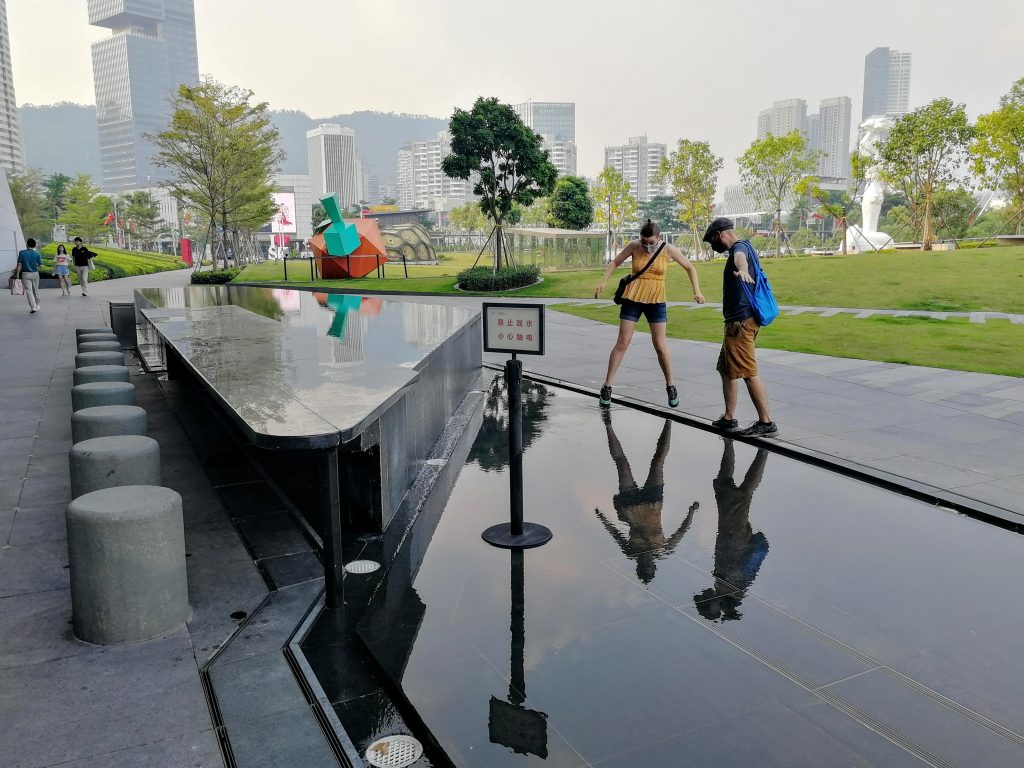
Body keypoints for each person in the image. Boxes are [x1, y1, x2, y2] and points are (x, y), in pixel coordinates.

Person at [594, 219, 705, 408]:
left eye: (651, 243)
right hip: (633, 298)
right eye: (644, 242)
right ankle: (607, 386)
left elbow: (689, 267)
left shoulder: (668, 249)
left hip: (656, 300)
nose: (646, 246)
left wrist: (697, 291)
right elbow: (615, 262)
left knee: (660, 345)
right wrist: (603, 281)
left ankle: (671, 386)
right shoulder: (634, 246)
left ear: (659, 238)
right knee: (623, 342)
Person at [593, 414, 699, 584]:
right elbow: (681, 532)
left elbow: (615, 533)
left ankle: (608, 425)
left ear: (638, 566)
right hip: (653, 502)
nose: (646, 562)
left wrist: (602, 518)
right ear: (654, 565)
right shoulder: (664, 549)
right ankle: (669, 421)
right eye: (649, 566)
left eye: (643, 566)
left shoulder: (630, 552)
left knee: (622, 463)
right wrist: (692, 511)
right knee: (658, 462)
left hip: (630, 504)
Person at [702, 217, 778, 437]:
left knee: (748, 373)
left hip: (741, 323)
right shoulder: (745, 245)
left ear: (720, 235)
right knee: (726, 370)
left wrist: (743, 269)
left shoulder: (739, 248)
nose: (714, 248)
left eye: (712, 243)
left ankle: (766, 422)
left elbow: (740, 259)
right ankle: (729, 418)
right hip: (736, 323)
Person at [693, 440, 770, 622]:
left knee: (727, 486)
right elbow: (736, 569)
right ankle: (762, 452)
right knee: (741, 493)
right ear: (715, 607)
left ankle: (738, 447)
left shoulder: (728, 594)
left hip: (731, 535)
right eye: (706, 603)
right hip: (733, 536)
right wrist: (729, 611)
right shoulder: (731, 595)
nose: (704, 597)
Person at [14, 238, 42, 313]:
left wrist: (17, 275)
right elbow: (40, 265)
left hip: (25, 274)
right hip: (35, 274)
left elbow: (19, 264)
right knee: (35, 290)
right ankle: (37, 303)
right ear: (35, 245)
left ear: (27, 244)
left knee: (29, 291)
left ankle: (33, 307)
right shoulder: (37, 253)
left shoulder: (22, 253)